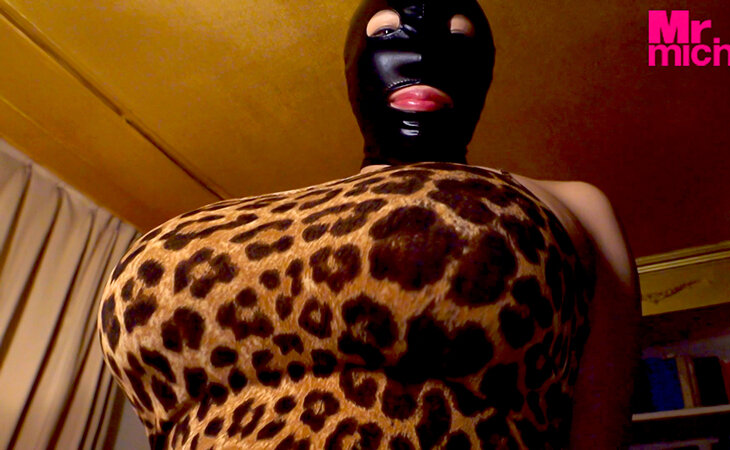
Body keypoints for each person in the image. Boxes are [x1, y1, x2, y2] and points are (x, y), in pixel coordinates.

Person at [99, 0, 641, 448]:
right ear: (352, 64)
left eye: (458, 38)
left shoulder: (572, 205)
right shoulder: (221, 223)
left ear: (486, 72)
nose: (423, 55)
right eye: (387, 32)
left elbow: (600, 429)